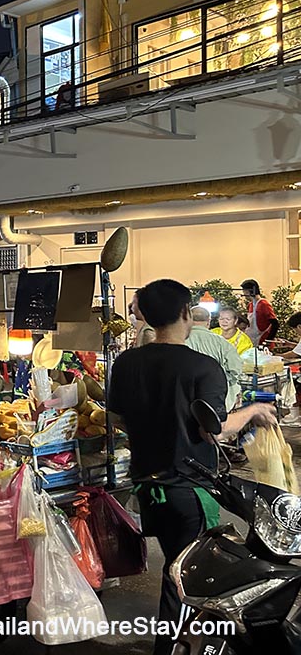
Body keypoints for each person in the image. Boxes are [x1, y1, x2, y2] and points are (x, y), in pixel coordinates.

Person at [108, 279, 277, 655]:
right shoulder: (203, 368)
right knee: (186, 575)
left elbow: (117, 418)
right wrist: (252, 411)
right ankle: (174, 647)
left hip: (147, 486)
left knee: (177, 564)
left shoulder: (127, 363)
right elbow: (213, 429)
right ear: (186, 313)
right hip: (189, 487)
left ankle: (189, 643)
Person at [186, 306, 244, 411]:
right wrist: (222, 380)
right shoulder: (223, 343)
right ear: (209, 321)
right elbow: (235, 370)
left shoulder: (179, 341)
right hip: (217, 402)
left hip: (185, 399)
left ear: (187, 320)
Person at [242, 279, 278, 346]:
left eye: (244, 291)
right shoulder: (250, 305)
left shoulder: (264, 304)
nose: (244, 294)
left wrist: (269, 340)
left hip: (263, 341)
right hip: (252, 340)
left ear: (249, 291)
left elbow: (275, 323)